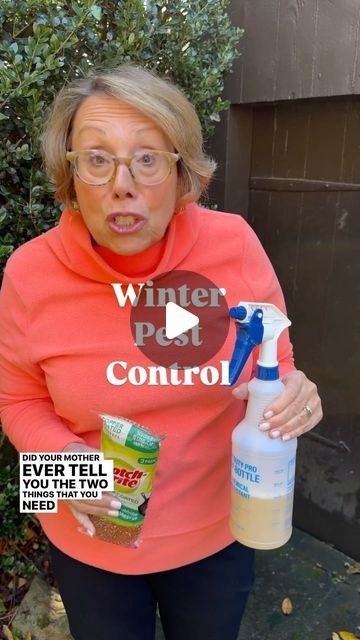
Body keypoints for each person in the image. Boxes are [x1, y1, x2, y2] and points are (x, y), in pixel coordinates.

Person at [0, 65, 322, 640]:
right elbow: (17, 398)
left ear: (183, 175)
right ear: (70, 179)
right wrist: (71, 471)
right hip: (89, 537)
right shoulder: (29, 272)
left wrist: (294, 396)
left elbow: (279, 363)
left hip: (218, 533)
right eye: (97, 159)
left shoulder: (235, 244)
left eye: (147, 158)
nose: (122, 184)